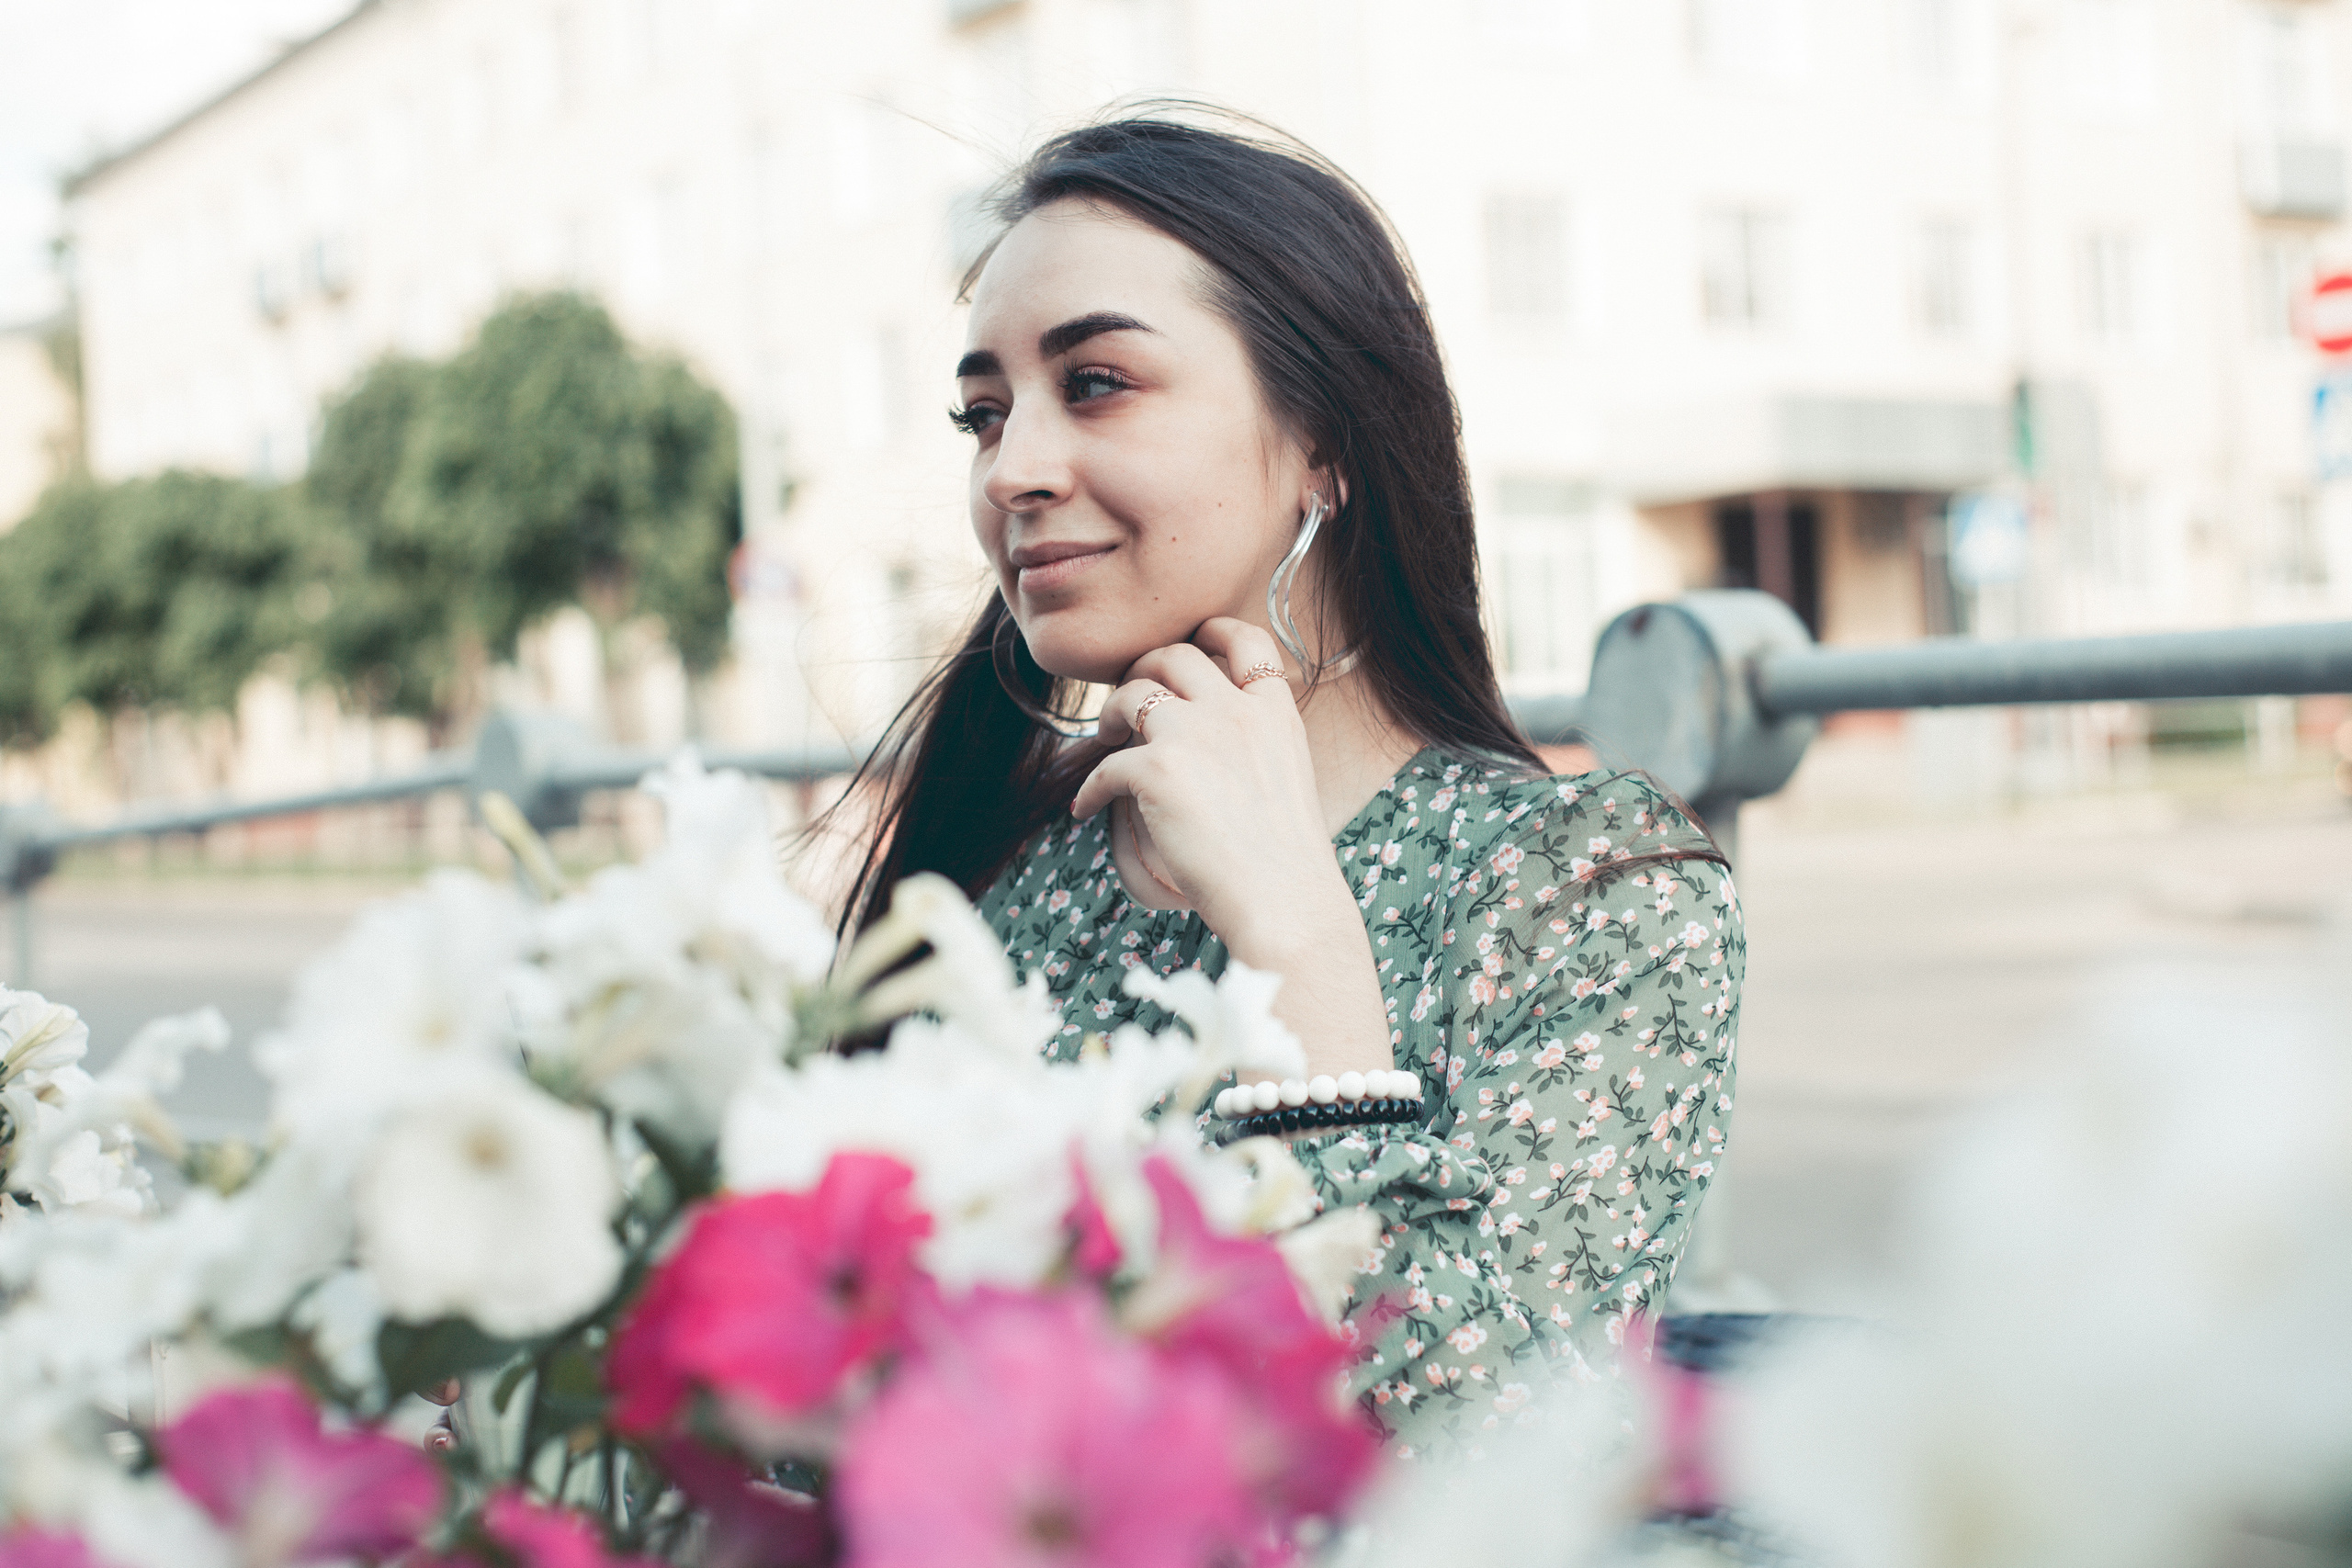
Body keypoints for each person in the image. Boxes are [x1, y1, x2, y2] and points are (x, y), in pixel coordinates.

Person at [840, 113, 1744, 1459]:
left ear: (1323, 437)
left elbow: (1490, 1466)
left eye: (1094, 382)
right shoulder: (1005, 879)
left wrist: (1301, 947)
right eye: (985, 414)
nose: (1012, 469)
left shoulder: (1594, 896)